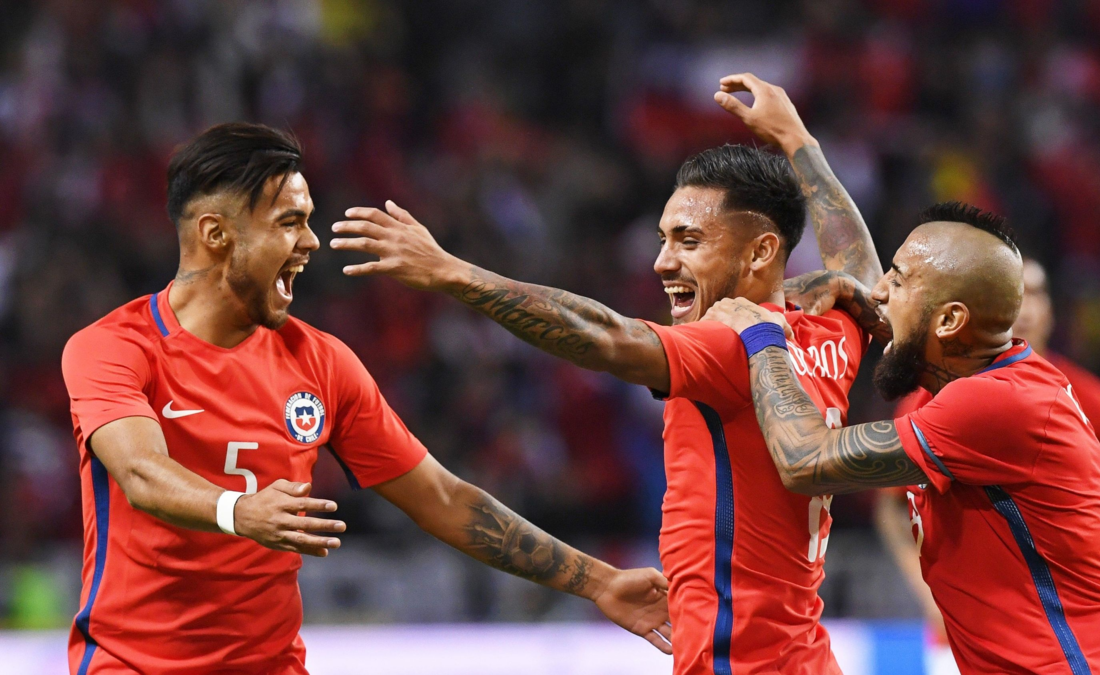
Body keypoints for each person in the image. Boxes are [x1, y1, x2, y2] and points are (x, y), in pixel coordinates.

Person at [60, 123, 671, 675]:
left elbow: (442, 498)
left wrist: (599, 582)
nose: (311, 242)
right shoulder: (113, 348)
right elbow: (142, 472)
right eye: (288, 222)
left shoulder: (321, 363)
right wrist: (237, 512)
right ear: (216, 234)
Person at [329, 73, 883, 674]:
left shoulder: (731, 345)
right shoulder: (830, 331)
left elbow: (605, 336)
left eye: (689, 241)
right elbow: (863, 275)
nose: (662, 262)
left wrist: (454, 274)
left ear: (760, 252)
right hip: (807, 657)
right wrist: (797, 139)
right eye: (664, 239)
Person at [703, 203, 1100, 674]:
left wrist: (763, 340)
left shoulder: (994, 404)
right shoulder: (983, 384)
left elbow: (804, 460)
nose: (879, 291)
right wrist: (803, 155)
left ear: (949, 321)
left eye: (897, 281)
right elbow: (910, 321)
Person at [875, 257, 1100, 674]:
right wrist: (923, 590)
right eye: (1016, 294)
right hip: (973, 644)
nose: (1027, 308)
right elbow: (890, 504)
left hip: (1061, 648)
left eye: (1037, 294)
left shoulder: (1088, 397)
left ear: (1052, 310)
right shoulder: (923, 403)